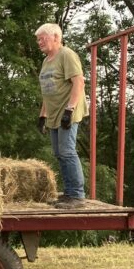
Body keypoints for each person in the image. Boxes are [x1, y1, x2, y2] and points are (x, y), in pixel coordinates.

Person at [35, 23, 87, 208]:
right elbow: (47, 90)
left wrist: (69, 110)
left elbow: (79, 82)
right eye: (38, 39)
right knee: (59, 153)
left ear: (56, 37)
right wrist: (42, 116)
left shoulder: (67, 55)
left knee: (67, 151)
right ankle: (69, 193)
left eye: (42, 38)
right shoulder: (46, 61)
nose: (39, 42)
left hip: (67, 111)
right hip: (54, 113)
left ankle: (77, 196)